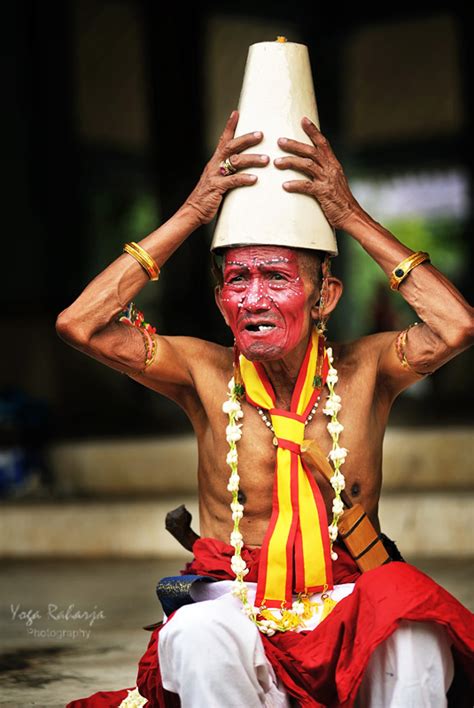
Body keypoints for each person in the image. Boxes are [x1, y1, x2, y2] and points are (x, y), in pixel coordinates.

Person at [58, 109, 474, 708]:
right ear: (221, 299)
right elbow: (80, 324)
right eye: (237, 279)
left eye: (276, 277)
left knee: (412, 624)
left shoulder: (367, 371)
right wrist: (193, 213)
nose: (253, 297)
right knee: (196, 633)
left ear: (324, 296)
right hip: (236, 605)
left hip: (343, 602)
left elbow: (456, 326)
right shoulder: (204, 372)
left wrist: (349, 216)